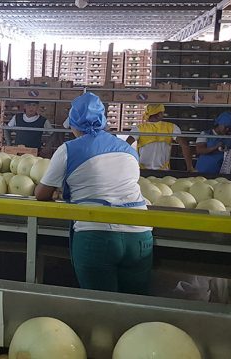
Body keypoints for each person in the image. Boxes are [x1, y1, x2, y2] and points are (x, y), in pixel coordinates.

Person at [34, 93, 153, 295]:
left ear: (74, 124)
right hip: (139, 235)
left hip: (96, 236)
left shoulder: (68, 150)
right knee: (135, 305)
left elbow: (42, 194)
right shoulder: (128, 149)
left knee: (100, 307)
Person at [125, 104, 195, 171]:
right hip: (163, 170)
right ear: (159, 115)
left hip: (142, 170)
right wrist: (189, 167)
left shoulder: (139, 128)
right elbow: (184, 145)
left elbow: (126, 145)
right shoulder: (171, 127)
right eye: (162, 113)